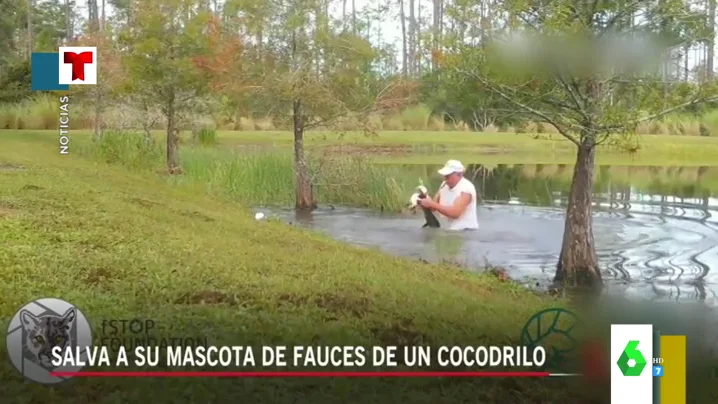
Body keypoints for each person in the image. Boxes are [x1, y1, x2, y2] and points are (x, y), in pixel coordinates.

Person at [417, 159, 479, 230]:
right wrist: (424, 201)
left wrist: (431, 204)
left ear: (459, 174)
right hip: (449, 231)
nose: (445, 178)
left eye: (448, 175)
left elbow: (455, 213)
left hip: (466, 232)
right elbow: (434, 207)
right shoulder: (444, 185)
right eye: (445, 175)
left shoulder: (466, 189)